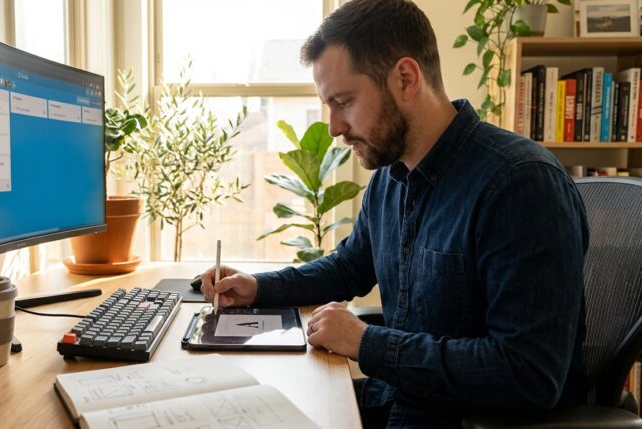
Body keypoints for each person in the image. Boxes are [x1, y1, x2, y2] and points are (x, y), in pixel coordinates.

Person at [199, 0, 589, 427]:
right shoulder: (391, 177)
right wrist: (257, 287)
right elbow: (349, 268)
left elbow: (527, 373)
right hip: (400, 402)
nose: (333, 127)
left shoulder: (519, 184)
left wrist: (367, 343)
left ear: (405, 78)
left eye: (343, 101)